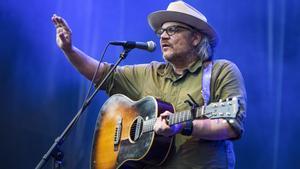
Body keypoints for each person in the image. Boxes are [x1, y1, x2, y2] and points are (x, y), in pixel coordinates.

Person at [52, 1, 246, 169]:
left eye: (172, 30)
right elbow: (103, 74)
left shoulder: (222, 71)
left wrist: (184, 126)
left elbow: (230, 126)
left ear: (195, 38)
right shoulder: (150, 72)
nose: (162, 36)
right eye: (161, 31)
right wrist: (69, 50)